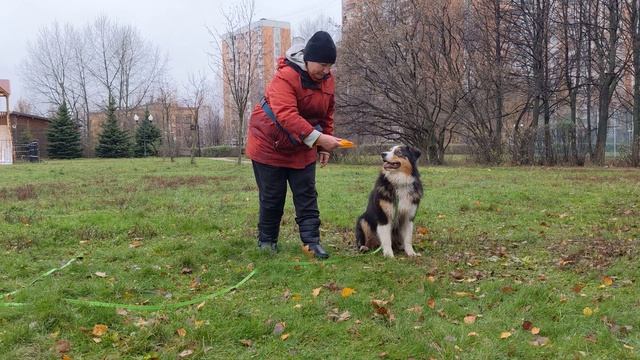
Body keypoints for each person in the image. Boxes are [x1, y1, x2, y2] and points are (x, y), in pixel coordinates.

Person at [245, 31, 342, 259]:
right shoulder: (285, 77)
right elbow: (286, 115)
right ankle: (267, 241)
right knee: (272, 196)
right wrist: (319, 139)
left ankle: (311, 243)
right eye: (322, 64)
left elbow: (327, 113)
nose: (326, 70)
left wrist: (324, 145)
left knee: (307, 194)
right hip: (269, 145)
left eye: (330, 65)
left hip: (302, 144)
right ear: (308, 59)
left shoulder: (328, 81)